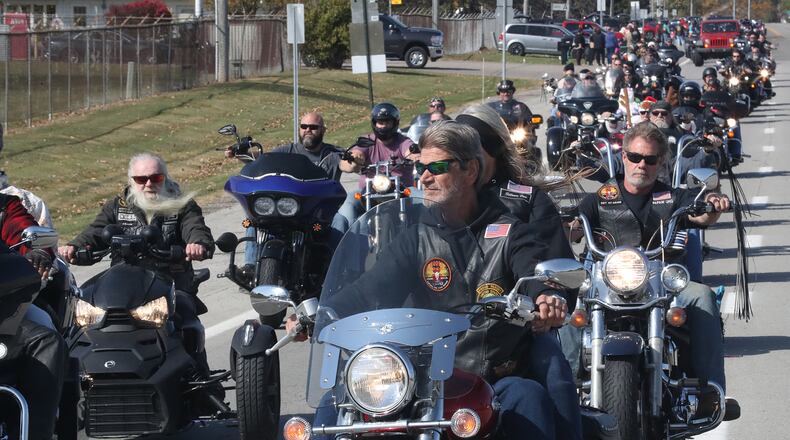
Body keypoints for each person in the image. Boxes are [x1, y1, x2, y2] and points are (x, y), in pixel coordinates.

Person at [303, 120, 575, 440]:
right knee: (334, 405)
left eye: (438, 167)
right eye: (422, 168)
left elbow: (531, 271)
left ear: (470, 170)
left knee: (529, 397)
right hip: (418, 378)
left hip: (493, 376)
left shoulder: (510, 232)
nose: (426, 177)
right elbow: (369, 288)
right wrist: (322, 312)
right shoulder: (415, 238)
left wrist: (544, 296)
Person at [571, 122, 731, 396]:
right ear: (624, 157)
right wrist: (562, 222)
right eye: (635, 157)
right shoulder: (598, 199)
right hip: (606, 285)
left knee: (703, 296)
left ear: (660, 162)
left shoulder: (672, 196)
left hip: (661, 284)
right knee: (567, 303)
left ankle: (710, 391)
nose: (641, 165)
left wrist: (713, 203)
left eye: (650, 159)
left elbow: (701, 215)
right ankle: (564, 388)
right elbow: (573, 229)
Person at [457, 104, 583, 439]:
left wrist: (548, 299)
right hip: (446, 329)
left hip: (517, 329)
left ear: (491, 153)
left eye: (471, 150)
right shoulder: (440, 202)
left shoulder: (527, 200)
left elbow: (550, 264)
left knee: (554, 371)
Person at [59, 153, 216, 376]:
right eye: (141, 179)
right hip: (123, 285)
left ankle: (201, 380)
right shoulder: (117, 206)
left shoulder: (181, 205)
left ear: (165, 177)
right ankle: (79, 381)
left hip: (170, 284)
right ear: (132, 180)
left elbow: (196, 228)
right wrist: (73, 247)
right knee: (84, 318)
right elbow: (94, 232)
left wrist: (196, 244)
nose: (149, 184)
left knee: (185, 317)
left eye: (156, 178)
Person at [225, 112, 346, 271]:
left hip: (318, 212)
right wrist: (241, 153)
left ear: (323, 130)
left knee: (340, 221)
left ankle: (336, 270)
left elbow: (348, 165)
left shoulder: (332, 154)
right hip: (289, 206)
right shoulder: (288, 150)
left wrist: (356, 160)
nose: (308, 130)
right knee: (254, 218)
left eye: (313, 127)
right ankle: (250, 266)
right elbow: (263, 158)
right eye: (304, 126)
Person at [0, 193, 64, 440]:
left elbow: (27, 230)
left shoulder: (5, 207)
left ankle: (35, 432)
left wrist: (37, 252)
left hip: (4, 311)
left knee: (46, 338)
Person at [334, 102, 415, 231]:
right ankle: (350, 241)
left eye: (387, 122)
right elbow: (350, 159)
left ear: (395, 123)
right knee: (348, 204)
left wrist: (415, 157)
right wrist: (355, 159)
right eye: (380, 122)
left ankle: (425, 238)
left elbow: (411, 151)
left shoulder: (403, 141)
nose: (383, 126)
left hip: (403, 191)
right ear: (374, 123)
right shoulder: (367, 141)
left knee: (423, 199)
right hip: (368, 192)